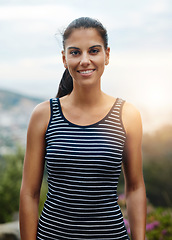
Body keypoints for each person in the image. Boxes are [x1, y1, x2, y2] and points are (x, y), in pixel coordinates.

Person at [19, 17, 146, 240]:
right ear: (64, 58)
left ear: (107, 55)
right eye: (75, 52)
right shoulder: (43, 115)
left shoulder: (128, 115)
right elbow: (29, 193)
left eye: (94, 51)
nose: (85, 60)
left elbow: (135, 188)